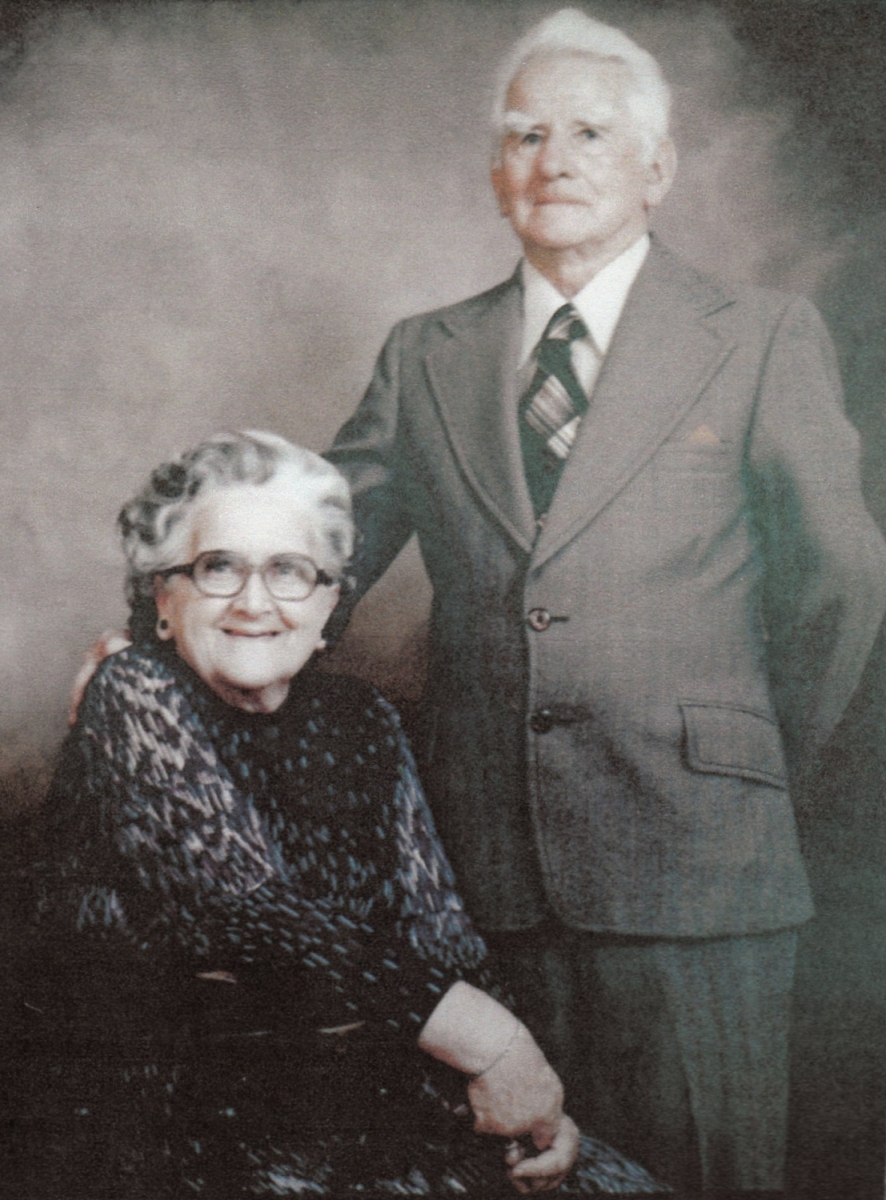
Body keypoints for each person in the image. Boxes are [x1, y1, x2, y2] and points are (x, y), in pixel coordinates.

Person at [323, 8, 886, 1196]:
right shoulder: (424, 352)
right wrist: (158, 636)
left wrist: (740, 755)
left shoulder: (759, 337)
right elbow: (317, 552)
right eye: (526, 135)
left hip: (699, 874)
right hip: (480, 883)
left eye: (591, 131)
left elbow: (837, 581)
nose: (556, 158)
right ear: (494, 172)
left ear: (656, 167)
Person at [25, 430, 663, 1199]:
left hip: (371, 1110)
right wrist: (496, 1046)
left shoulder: (360, 717)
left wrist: (530, 1104)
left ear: (330, 602)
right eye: (216, 567)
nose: (254, 602)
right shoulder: (132, 692)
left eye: (290, 571)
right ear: (163, 598)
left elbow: (440, 932)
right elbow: (247, 913)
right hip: (186, 1133)